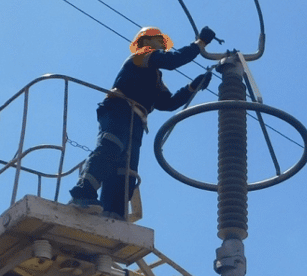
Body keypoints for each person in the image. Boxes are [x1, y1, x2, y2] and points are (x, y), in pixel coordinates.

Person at [68, 25, 216, 219]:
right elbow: (172, 61)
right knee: (111, 146)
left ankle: (113, 212)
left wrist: (192, 87)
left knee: (126, 170)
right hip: (119, 109)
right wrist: (199, 44)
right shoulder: (141, 57)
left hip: (136, 121)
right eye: (159, 42)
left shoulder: (154, 76)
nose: (162, 47)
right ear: (146, 42)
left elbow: (167, 103)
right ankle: (83, 192)